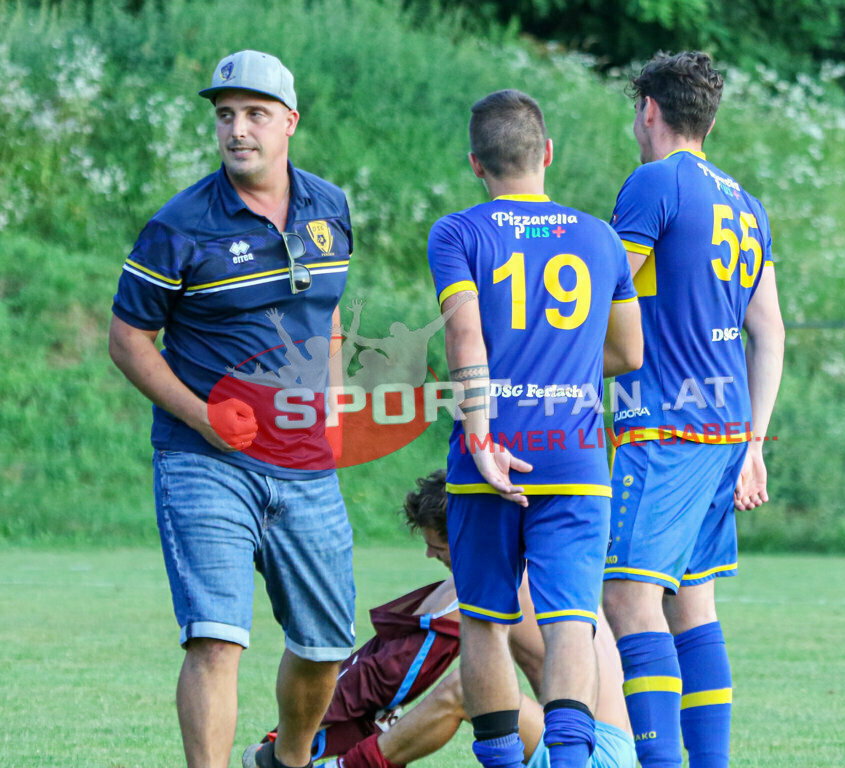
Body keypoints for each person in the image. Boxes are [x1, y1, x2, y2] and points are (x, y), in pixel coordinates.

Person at [108, 50, 356, 768]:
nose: (237, 129)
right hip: (204, 462)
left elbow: (327, 313)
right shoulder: (178, 226)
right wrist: (200, 416)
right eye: (225, 116)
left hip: (306, 464)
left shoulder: (331, 206)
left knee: (324, 648)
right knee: (216, 638)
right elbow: (128, 340)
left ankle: (289, 760)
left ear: (289, 122)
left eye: (253, 115)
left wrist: (332, 404)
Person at [426, 90, 644, 768]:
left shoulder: (457, 233)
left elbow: (465, 336)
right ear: (547, 153)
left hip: (491, 456)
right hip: (577, 457)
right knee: (573, 620)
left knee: (487, 621)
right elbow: (630, 354)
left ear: (475, 165)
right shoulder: (599, 237)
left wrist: (484, 435)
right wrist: (570, 365)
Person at [600, 52, 786, 768]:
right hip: (726, 432)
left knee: (629, 600)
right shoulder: (744, 201)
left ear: (648, 108)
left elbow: (609, 306)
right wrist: (756, 442)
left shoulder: (655, 183)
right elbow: (766, 330)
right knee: (691, 607)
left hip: (667, 427)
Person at [246, 469, 637, 768]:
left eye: (437, 547)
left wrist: (289, 739)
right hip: (596, 742)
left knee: (466, 688)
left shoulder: (501, 573)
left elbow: (396, 670)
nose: (432, 557)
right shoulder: (538, 556)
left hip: (593, 753)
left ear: (464, 536)